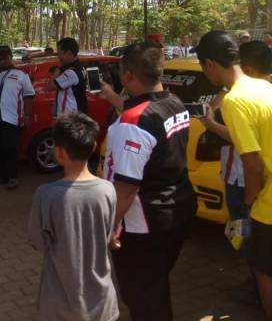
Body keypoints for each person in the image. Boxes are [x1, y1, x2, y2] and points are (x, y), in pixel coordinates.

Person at [103, 42, 197, 321]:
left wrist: (110, 226)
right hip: (178, 209)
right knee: (155, 284)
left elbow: (126, 188)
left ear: (128, 74)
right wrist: (113, 99)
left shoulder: (133, 123)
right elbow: (145, 113)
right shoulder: (174, 102)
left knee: (143, 296)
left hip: (144, 223)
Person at [196, 31, 272, 319]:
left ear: (210, 64)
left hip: (267, 206)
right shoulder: (262, 86)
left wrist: (249, 204)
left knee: (264, 273)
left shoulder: (235, 101)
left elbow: (253, 166)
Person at [28, 113, 119, 321]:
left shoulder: (46, 195)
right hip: (102, 304)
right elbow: (108, 235)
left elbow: (38, 242)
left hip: (59, 305)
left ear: (59, 152)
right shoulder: (108, 190)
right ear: (93, 147)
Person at [0, 46, 35, 190]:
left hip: (12, 118)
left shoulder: (21, 75)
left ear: (11, 58)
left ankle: (13, 177)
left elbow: (29, 96)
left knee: (10, 148)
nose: (2, 60)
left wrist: (27, 115)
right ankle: (2, 175)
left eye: (5, 58)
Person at [48, 37, 87, 116]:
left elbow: (50, 85)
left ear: (69, 53)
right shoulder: (80, 66)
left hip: (69, 117)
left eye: (59, 53)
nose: (58, 57)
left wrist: (59, 67)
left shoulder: (71, 72)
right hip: (76, 114)